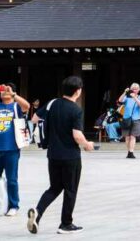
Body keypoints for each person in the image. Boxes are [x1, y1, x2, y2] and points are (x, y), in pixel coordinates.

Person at [27, 75, 95, 235]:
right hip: (70, 156)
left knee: (55, 187)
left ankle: (37, 212)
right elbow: (77, 135)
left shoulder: (52, 103)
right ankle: (66, 223)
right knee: (70, 189)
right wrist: (87, 145)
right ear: (78, 91)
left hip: (53, 154)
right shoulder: (76, 110)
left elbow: (35, 118)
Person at [0, 83, 30, 216]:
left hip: (12, 149)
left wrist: (13, 94)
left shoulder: (16, 107)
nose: (4, 92)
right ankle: (1, 203)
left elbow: (26, 106)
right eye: (2, 91)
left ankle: (13, 205)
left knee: (12, 179)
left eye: (8, 91)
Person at [117, 82, 140, 159]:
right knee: (127, 137)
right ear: (131, 90)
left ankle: (131, 152)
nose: (135, 90)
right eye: (133, 89)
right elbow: (120, 100)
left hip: (136, 119)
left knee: (133, 136)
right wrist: (125, 92)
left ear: (139, 90)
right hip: (126, 119)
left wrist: (135, 98)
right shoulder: (127, 97)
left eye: (136, 89)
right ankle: (128, 151)